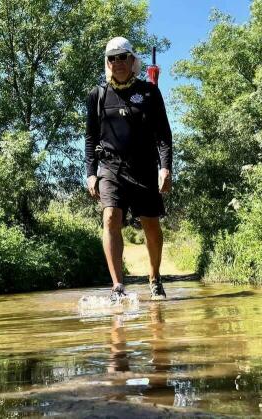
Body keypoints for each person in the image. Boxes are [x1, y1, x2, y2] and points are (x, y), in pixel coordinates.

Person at [85, 36, 172, 301]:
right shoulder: (97, 95)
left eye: (123, 57)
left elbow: (164, 135)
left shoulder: (149, 92)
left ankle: (155, 278)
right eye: (112, 58)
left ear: (133, 60)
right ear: (107, 63)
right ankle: (117, 287)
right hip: (110, 167)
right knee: (110, 216)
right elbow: (90, 138)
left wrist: (165, 167)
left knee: (151, 226)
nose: (118, 62)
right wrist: (91, 173)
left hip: (145, 168)